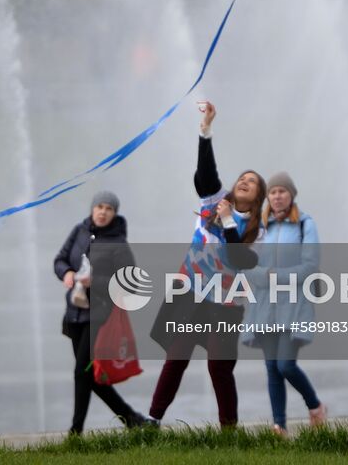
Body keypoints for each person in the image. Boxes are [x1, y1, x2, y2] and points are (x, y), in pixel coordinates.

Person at [148, 101, 264, 428]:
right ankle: (152, 419)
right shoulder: (214, 201)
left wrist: (228, 223)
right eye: (243, 178)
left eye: (252, 182)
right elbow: (206, 173)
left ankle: (229, 429)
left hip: (226, 303)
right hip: (192, 291)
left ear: (258, 196)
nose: (244, 181)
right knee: (177, 354)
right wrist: (205, 131)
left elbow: (240, 258)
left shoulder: (257, 228)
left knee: (218, 365)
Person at [53, 191, 151, 435]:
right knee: (91, 377)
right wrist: (65, 272)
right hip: (75, 312)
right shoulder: (80, 231)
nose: (103, 212)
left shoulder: (118, 242)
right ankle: (132, 419)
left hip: (100, 316)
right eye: (100, 206)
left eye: (109, 208)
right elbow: (60, 259)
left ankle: (75, 432)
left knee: (80, 372)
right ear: (92, 209)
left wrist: (96, 280)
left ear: (114, 213)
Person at [242, 173, 328, 435]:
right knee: (271, 367)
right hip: (265, 306)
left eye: (282, 191)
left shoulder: (305, 224)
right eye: (273, 192)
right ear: (267, 196)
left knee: (285, 364)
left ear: (291, 195)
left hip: (294, 305)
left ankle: (315, 406)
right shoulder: (259, 227)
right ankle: (279, 425)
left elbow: (310, 265)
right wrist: (261, 276)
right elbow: (246, 264)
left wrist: (274, 277)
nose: (277, 196)